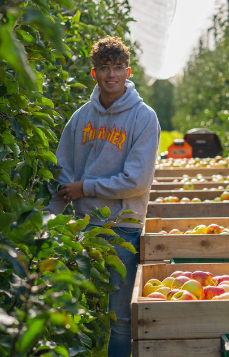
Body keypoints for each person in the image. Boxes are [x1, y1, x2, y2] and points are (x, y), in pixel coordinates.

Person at [46, 36, 160, 357]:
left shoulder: (143, 117)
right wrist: (48, 222)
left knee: (121, 318)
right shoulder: (82, 117)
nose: (112, 74)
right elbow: (62, 170)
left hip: (122, 230)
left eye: (118, 67)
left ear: (128, 71)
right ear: (93, 73)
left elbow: (137, 181)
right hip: (81, 229)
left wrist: (86, 187)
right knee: (72, 313)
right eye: (104, 68)